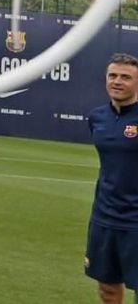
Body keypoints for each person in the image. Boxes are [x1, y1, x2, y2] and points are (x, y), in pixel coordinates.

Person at [87, 52, 138, 304]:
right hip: (104, 217)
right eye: (113, 75)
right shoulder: (97, 117)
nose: (117, 81)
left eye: (126, 77)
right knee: (107, 289)